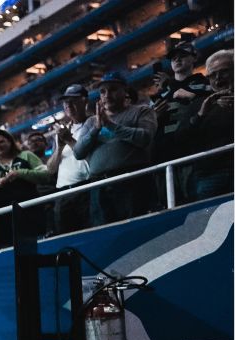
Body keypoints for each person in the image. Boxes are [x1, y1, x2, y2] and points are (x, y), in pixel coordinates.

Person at [72, 71, 158, 226]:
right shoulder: (92, 122)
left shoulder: (141, 111)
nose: (107, 95)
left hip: (132, 182)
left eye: (112, 89)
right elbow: (78, 152)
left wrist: (111, 126)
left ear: (125, 91)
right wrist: (96, 129)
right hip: (99, 186)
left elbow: (145, 138)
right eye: (103, 91)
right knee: (104, 233)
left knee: (136, 228)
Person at [0, 128, 51, 246]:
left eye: (1, 142)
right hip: (4, 220)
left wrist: (19, 173)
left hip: (31, 211)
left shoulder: (26, 155)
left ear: (10, 141)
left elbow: (45, 175)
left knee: (38, 246)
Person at [178, 49, 233, 199]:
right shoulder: (198, 104)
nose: (218, 79)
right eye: (212, 75)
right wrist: (200, 115)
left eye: (224, 72)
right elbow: (182, 140)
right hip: (210, 174)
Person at [150, 39, 211, 164]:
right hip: (166, 153)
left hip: (197, 148)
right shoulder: (161, 94)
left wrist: (193, 96)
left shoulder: (205, 83)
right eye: (173, 58)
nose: (177, 60)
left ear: (194, 58)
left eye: (182, 56)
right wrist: (154, 117)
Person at [46, 84, 93, 235]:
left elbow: (88, 155)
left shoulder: (94, 123)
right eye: (65, 102)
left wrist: (69, 140)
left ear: (85, 101)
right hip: (63, 193)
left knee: (90, 233)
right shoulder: (62, 131)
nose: (68, 105)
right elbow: (51, 169)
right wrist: (59, 147)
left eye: (73, 100)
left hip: (86, 188)